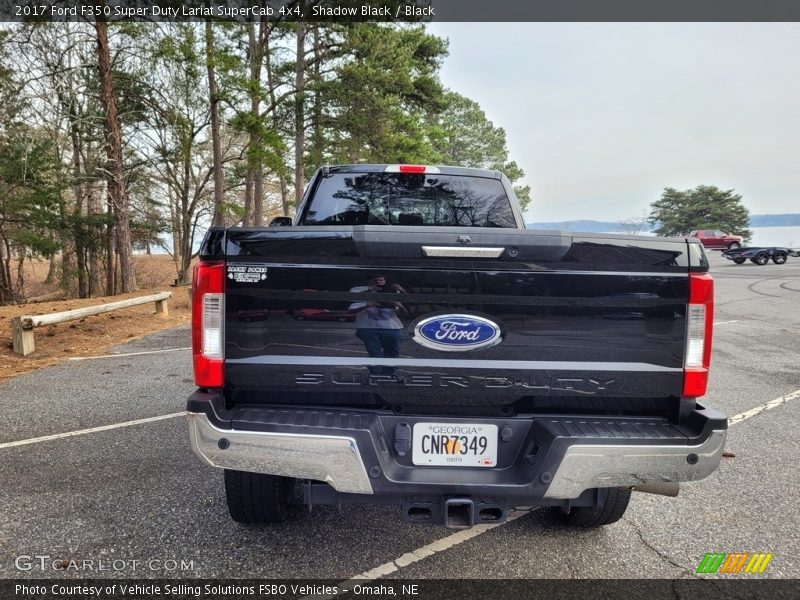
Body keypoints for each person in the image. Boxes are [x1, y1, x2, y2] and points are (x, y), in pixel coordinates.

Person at [348, 274, 406, 376]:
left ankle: (389, 373)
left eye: (380, 280)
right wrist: (369, 297)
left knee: (392, 350)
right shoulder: (358, 289)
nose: (377, 282)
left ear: (385, 281)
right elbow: (352, 303)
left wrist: (401, 292)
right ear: (368, 280)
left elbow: (404, 311)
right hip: (368, 327)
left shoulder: (391, 290)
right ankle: (376, 374)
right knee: (374, 352)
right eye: (374, 279)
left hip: (391, 327)